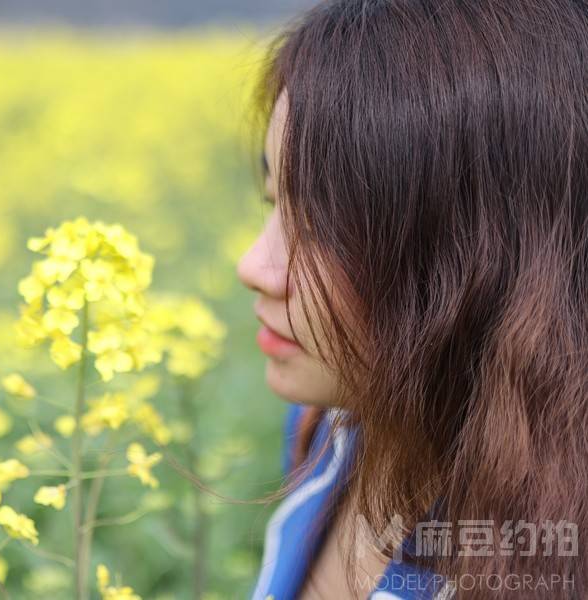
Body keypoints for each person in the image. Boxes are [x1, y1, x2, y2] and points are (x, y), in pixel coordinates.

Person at [238, 1, 588, 598]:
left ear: (488, 263)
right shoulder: (326, 428)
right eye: (276, 202)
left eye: (328, 227)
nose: (253, 268)